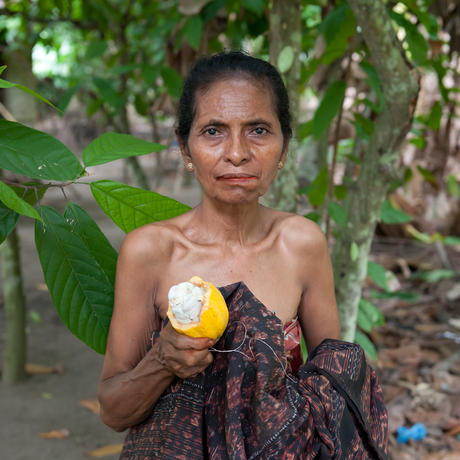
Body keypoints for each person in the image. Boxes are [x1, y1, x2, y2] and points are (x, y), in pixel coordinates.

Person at [97, 51, 387, 459]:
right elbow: (113, 409)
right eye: (213, 131)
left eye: (258, 130)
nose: (236, 152)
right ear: (185, 146)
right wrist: (162, 361)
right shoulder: (151, 251)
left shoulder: (301, 245)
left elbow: (334, 395)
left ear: (284, 146)